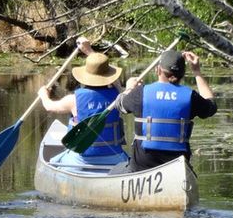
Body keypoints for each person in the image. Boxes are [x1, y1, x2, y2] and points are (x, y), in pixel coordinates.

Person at [116, 50, 216, 172]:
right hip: (177, 163)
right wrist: (197, 72)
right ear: (183, 73)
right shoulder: (191, 96)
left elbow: (120, 105)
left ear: (158, 70)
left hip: (143, 164)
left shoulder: (141, 92)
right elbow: (211, 107)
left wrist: (129, 89)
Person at [38, 38, 128, 167]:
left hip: (81, 161)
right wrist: (89, 51)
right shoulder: (119, 96)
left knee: (53, 161)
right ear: (109, 76)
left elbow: (49, 106)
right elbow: (114, 81)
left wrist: (43, 95)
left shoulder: (73, 100)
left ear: (85, 76)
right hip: (115, 159)